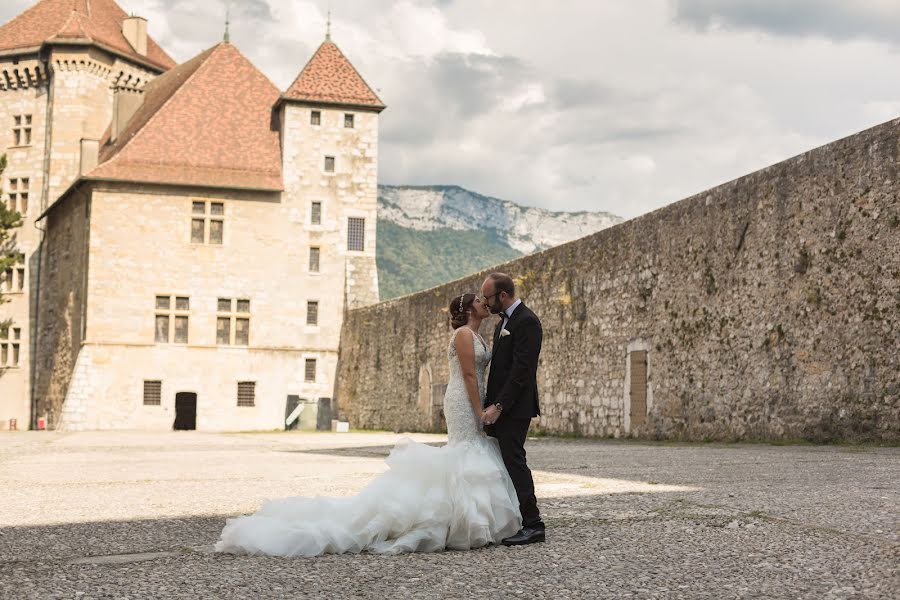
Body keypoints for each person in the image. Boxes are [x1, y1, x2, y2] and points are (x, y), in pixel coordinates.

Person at [215, 293, 521, 556]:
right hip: (464, 400)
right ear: (468, 309)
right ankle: (462, 523)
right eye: (480, 301)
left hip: (471, 397)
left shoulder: (478, 334)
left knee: (468, 452)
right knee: (464, 450)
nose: (485, 303)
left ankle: (469, 521)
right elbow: (469, 374)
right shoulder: (465, 335)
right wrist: (480, 408)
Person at [480, 272, 545, 545]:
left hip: (515, 408)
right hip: (500, 408)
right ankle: (515, 518)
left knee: (515, 461)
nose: (485, 302)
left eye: (488, 297)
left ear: (503, 295)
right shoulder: (501, 323)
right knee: (503, 462)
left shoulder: (527, 322)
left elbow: (521, 371)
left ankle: (534, 523)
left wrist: (499, 406)